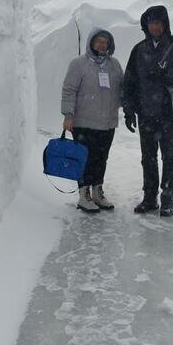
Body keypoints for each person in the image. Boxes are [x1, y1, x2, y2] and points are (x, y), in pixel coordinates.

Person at [122, 5, 173, 218]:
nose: (154, 26)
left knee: (169, 157)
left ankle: (167, 197)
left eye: (158, 22)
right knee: (147, 158)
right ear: (145, 25)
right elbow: (129, 81)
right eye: (150, 22)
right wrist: (128, 110)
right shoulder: (139, 50)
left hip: (169, 114)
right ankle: (149, 197)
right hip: (145, 113)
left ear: (165, 24)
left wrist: (171, 75)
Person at [61, 29, 124, 213]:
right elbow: (69, 90)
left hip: (107, 123)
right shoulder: (79, 64)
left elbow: (122, 89)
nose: (101, 45)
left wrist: (127, 105)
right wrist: (68, 115)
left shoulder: (114, 65)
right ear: (91, 42)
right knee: (84, 159)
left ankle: (97, 191)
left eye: (105, 42)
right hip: (83, 122)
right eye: (98, 41)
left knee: (101, 159)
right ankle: (84, 194)